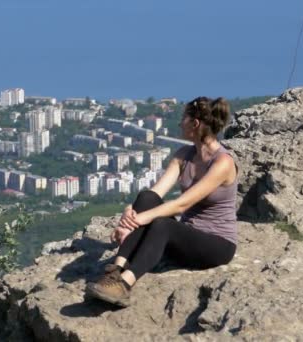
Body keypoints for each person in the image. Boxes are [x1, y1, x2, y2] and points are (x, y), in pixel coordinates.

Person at [85, 96, 238, 307]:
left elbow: (182, 204)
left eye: (183, 118)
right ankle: (115, 270)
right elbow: (156, 193)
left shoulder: (223, 162)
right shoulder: (184, 155)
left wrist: (138, 221)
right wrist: (130, 212)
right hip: (186, 238)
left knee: (162, 224)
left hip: (216, 245)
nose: (179, 123)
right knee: (146, 198)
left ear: (194, 123)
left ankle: (124, 285)